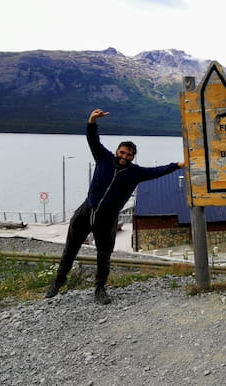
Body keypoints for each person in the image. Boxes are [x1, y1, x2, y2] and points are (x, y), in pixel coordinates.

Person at [45, 109, 185, 304]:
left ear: (133, 157)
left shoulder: (135, 173)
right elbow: (93, 140)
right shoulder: (103, 158)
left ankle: (100, 289)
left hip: (107, 218)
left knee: (104, 255)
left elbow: (157, 171)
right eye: (122, 152)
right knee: (71, 248)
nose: (124, 156)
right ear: (117, 151)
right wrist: (92, 120)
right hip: (86, 210)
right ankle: (58, 282)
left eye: (128, 154)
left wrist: (178, 165)